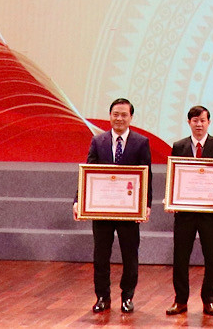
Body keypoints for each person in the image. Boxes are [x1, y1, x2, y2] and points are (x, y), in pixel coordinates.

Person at [73, 98, 152, 314]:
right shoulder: (98, 141)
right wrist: (79, 200)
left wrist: (146, 204)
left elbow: (147, 176)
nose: (119, 118)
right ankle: (102, 297)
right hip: (102, 208)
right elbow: (88, 172)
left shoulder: (141, 142)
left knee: (130, 255)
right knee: (101, 255)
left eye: (124, 115)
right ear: (110, 116)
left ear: (131, 117)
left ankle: (127, 297)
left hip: (129, 210)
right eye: (115, 114)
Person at [165, 106, 213, 317]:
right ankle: (180, 300)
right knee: (180, 257)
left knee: (212, 258)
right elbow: (174, 175)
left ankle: (209, 300)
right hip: (185, 213)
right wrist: (171, 197)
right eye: (195, 120)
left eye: (202, 120)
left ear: (209, 122)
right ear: (189, 123)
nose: (199, 124)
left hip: (210, 213)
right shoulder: (179, 146)